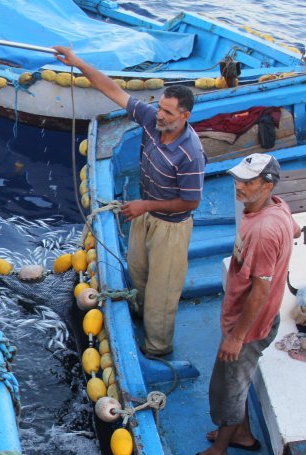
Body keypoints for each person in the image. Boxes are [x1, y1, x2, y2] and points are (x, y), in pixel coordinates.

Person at [53, 46, 206, 357]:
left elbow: (190, 203)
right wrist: (78, 61)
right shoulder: (151, 120)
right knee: (137, 271)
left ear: (185, 116)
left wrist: (145, 206)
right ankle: (135, 314)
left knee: (162, 292)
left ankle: (157, 347)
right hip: (145, 211)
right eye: (160, 108)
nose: (160, 115)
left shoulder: (191, 153)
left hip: (171, 227)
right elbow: (111, 89)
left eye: (168, 113)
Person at [179, 154, 298, 455]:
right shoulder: (277, 207)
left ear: (267, 184)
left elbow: (260, 290)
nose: (238, 186)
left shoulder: (263, 230)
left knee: (228, 388)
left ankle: (219, 453)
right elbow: (295, 231)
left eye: (248, 182)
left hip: (249, 325)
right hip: (249, 319)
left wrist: (237, 337)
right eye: (238, 179)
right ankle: (242, 434)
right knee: (236, 380)